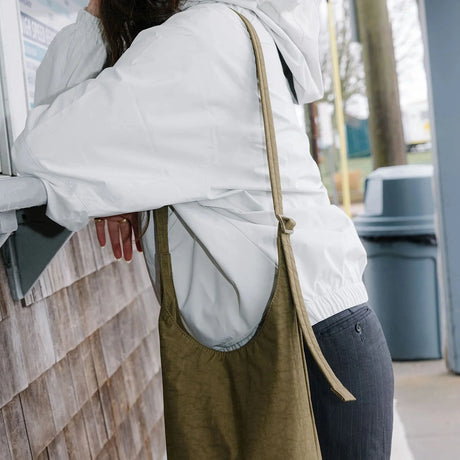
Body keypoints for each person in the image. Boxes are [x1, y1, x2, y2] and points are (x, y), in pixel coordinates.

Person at [12, 0, 394, 458]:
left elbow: (41, 148)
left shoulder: (200, 39)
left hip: (305, 353)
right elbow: (70, 143)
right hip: (310, 338)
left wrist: (96, 13)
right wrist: (110, 183)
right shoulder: (214, 30)